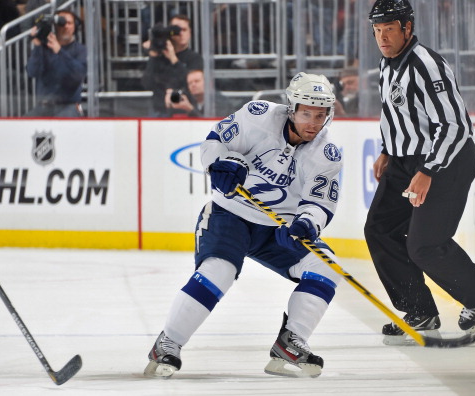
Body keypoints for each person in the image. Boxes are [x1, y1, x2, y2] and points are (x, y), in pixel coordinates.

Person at [144, 72, 343, 378]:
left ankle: (290, 341)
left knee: (326, 267)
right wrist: (219, 164)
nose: (313, 123)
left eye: (320, 115)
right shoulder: (258, 116)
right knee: (219, 271)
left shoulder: (327, 153)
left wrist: (306, 224)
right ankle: (167, 343)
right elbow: (214, 143)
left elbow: (319, 204)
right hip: (229, 215)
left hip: (277, 229)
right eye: (306, 113)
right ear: (291, 108)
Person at [364, 0, 475, 344]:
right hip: (404, 161)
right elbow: (393, 112)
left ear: (407, 28)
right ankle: (420, 311)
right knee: (379, 229)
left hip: (447, 160)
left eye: (389, 29)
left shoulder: (427, 65)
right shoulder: (387, 64)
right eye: (377, 31)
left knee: (425, 245)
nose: (382, 37)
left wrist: (428, 169)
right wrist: (386, 149)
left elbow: (455, 126)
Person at [25, 9, 87, 117]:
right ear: (55, 26)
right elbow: (32, 72)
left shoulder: (80, 50)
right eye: (62, 23)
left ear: (75, 26)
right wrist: (37, 46)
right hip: (44, 106)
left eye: (70, 23)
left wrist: (59, 51)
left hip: (69, 106)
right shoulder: (44, 48)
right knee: (25, 126)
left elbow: (78, 75)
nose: (66, 26)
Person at [141, 14, 203, 117]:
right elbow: (147, 83)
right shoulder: (159, 55)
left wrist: (173, 59)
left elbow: (191, 84)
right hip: (159, 110)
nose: (181, 34)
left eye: (184, 30)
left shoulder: (195, 58)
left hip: (185, 111)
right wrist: (153, 56)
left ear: (190, 33)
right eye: (176, 30)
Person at [164, 69, 236, 118]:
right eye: (190, 83)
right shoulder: (188, 100)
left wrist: (190, 110)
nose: (193, 85)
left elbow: (211, 126)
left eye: (197, 81)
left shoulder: (220, 102)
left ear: (208, 83)